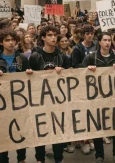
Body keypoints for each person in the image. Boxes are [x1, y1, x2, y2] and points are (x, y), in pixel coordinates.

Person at [29, 25, 70, 163]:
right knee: (40, 128)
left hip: (58, 99)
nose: (53, 38)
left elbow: (71, 75)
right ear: (43, 38)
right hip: (40, 99)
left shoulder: (62, 56)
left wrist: (64, 71)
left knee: (57, 128)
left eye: (55, 35)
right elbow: (29, 80)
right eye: (50, 35)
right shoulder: (35, 56)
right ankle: (39, 158)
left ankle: (59, 158)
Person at [82, 32, 115, 163]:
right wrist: (87, 69)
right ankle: (99, 155)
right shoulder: (91, 57)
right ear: (99, 42)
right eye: (105, 40)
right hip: (97, 98)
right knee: (98, 127)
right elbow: (79, 71)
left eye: (109, 40)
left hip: (114, 97)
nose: (107, 42)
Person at [0, 29, 32, 163]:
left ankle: (21, 158)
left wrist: (30, 73)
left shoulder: (22, 58)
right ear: (1, 42)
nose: (11, 43)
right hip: (2, 103)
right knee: (3, 132)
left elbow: (29, 77)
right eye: (7, 40)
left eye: (13, 40)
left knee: (20, 130)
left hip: (19, 101)